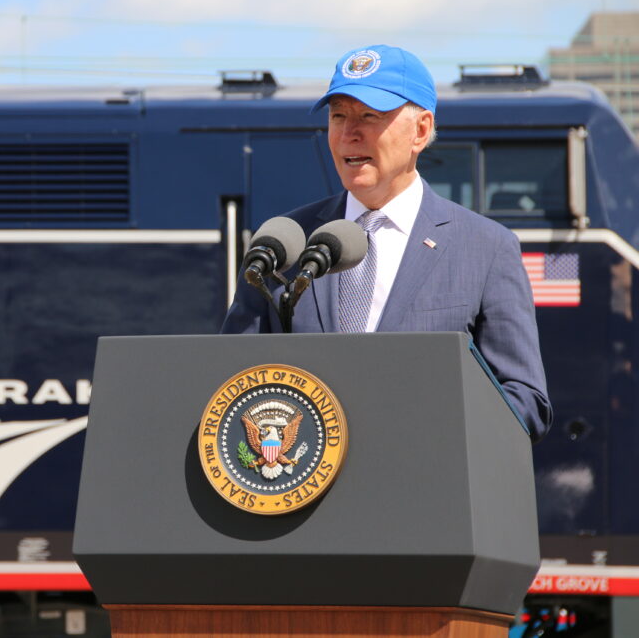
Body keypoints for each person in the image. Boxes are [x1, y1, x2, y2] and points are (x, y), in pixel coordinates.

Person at [221, 44, 552, 442]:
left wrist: (424, 431)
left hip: (427, 491)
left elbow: (524, 401)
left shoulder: (486, 247)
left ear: (421, 130)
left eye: (369, 116)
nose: (348, 133)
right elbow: (232, 383)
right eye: (338, 115)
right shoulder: (284, 241)